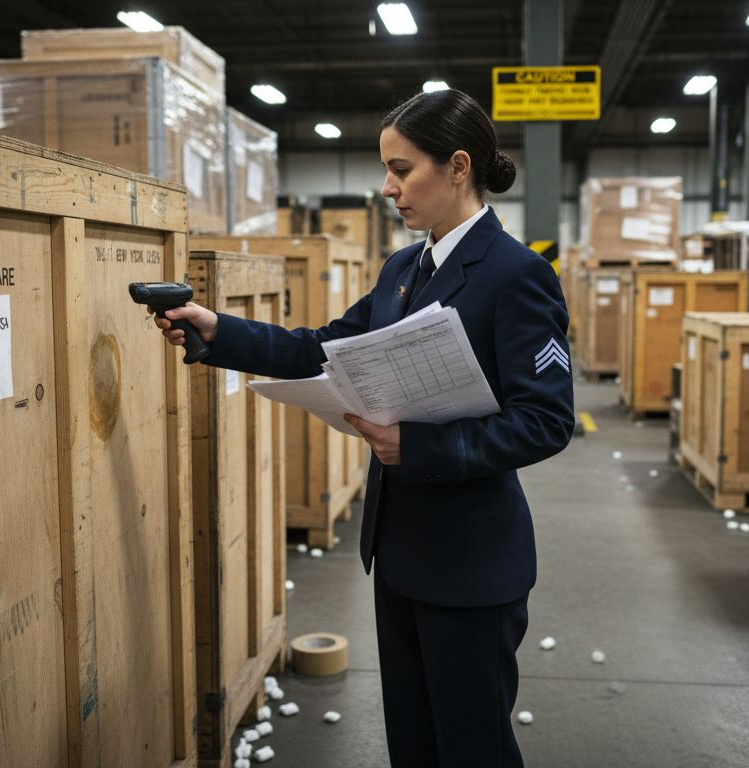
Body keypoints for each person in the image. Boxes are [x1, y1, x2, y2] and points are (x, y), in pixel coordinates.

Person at [152, 89, 574, 767]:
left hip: (471, 562)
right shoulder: (403, 270)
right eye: (387, 170)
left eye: (402, 170)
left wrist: (422, 445)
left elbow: (547, 421)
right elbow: (322, 348)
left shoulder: (517, 275)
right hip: (399, 551)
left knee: (472, 749)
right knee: (412, 741)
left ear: (459, 166)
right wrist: (217, 330)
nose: (387, 188)